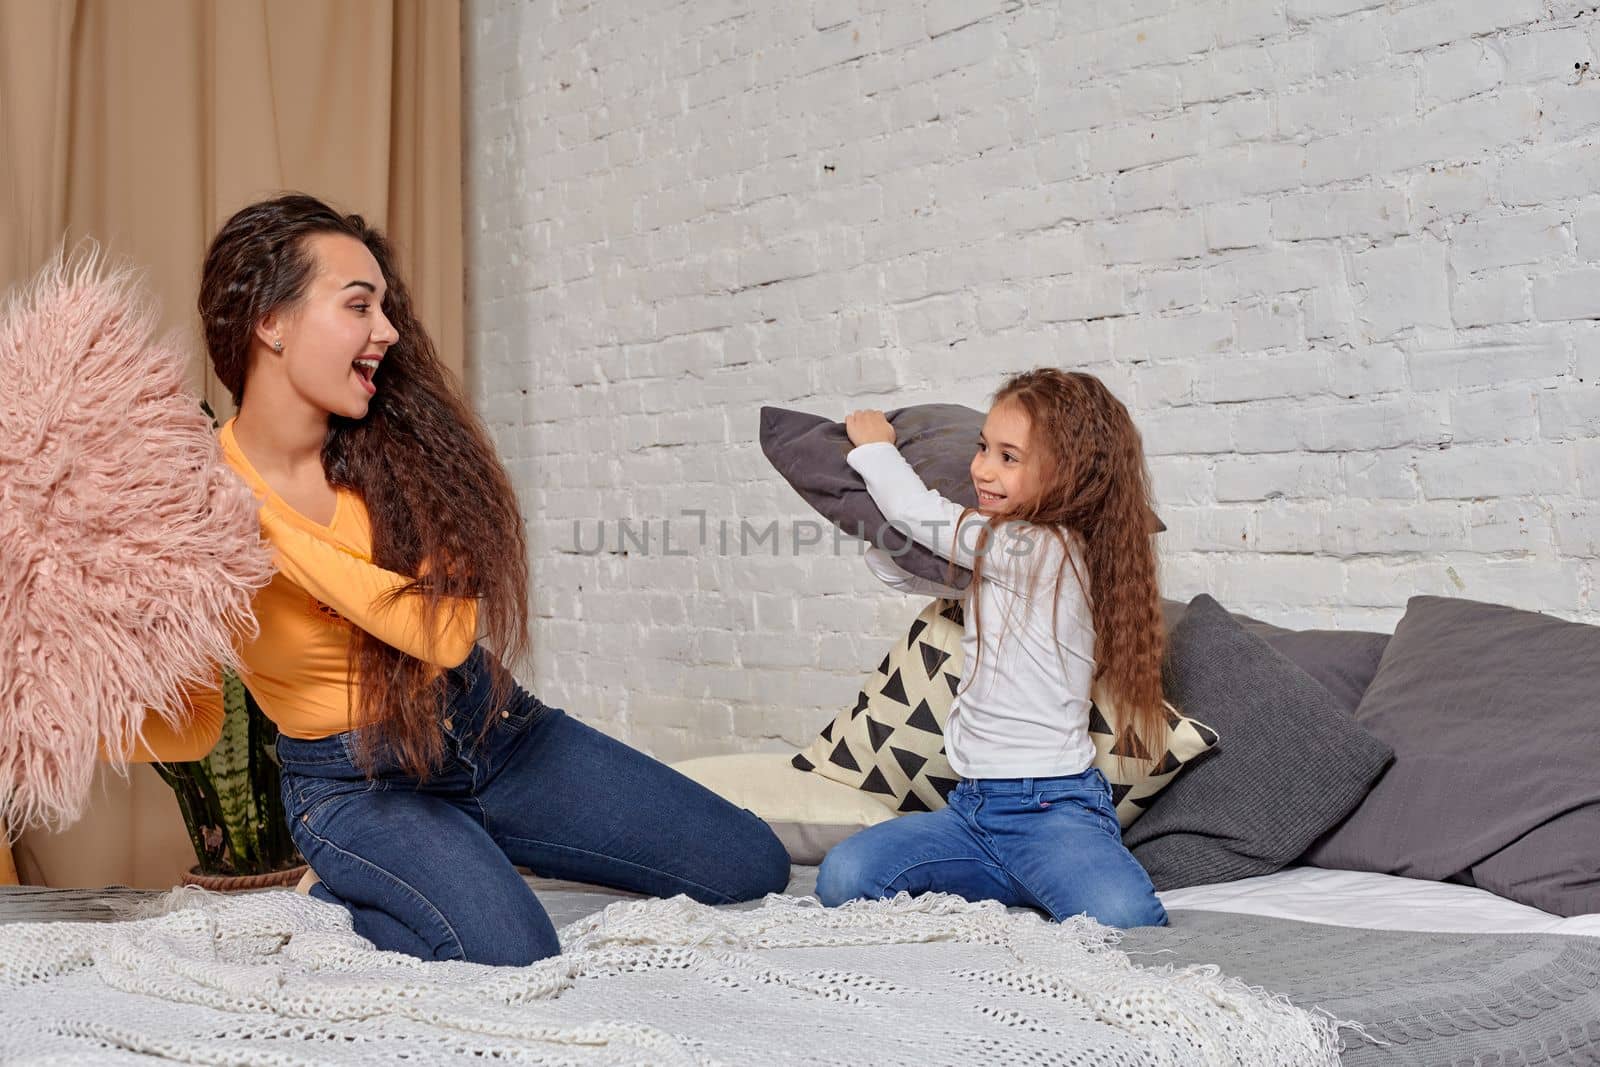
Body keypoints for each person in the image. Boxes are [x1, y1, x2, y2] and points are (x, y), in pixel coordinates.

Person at [119, 193, 789, 964]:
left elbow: (439, 632)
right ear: (271, 321)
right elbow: (199, 721)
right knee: (511, 950)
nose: (389, 330)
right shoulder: (187, 502)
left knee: (752, 865)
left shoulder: (403, 450)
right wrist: (70, 717)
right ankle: (361, 883)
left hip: (494, 732)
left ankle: (429, 866)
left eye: (385, 305)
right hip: (359, 786)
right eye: (359, 305)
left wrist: (256, 523)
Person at [815, 369, 1169, 929]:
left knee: (1127, 920)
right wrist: (876, 532)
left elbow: (918, 515)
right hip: (972, 810)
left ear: (1068, 473)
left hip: (1051, 809)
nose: (981, 469)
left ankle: (1042, 869)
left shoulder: (1046, 548)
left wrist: (878, 450)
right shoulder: (1003, 557)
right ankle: (1013, 880)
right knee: (845, 877)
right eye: (983, 448)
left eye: (1009, 457)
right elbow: (910, 576)